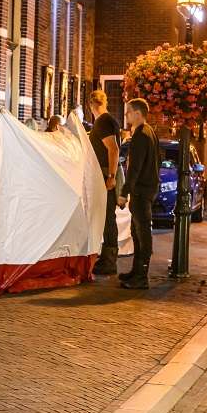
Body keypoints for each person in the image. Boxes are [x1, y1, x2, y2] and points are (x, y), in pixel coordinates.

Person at [117, 98, 161, 290]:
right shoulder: (150, 132)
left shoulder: (141, 135)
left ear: (137, 113)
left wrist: (124, 192)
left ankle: (141, 277)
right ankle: (136, 271)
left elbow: (134, 168)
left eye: (128, 112)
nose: (126, 115)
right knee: (137, 231)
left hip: (142, 190)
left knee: (142, 232)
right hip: (148, 188)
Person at [88, 90, 121, 275]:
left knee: (108, 217)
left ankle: (109, 261)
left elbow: (113, 149)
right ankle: (107, 258)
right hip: (105, 173)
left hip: (105, 174)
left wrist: (111, 177)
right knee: (107, 217)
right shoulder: (111, 120)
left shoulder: (103, 121)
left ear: (92, 104)